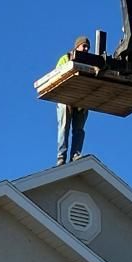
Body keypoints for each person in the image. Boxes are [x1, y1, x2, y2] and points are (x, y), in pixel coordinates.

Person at [55, 36, 90, 165]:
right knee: (64, 127)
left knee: (79, 129)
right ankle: (61, 157)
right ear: (77, 46)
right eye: (84, 46)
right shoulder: (65, 58)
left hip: (81, 100)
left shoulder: (90, 61)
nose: (86, 49)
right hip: (65, 97)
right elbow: (57, 75)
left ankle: (75, 154)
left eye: (87, 47)